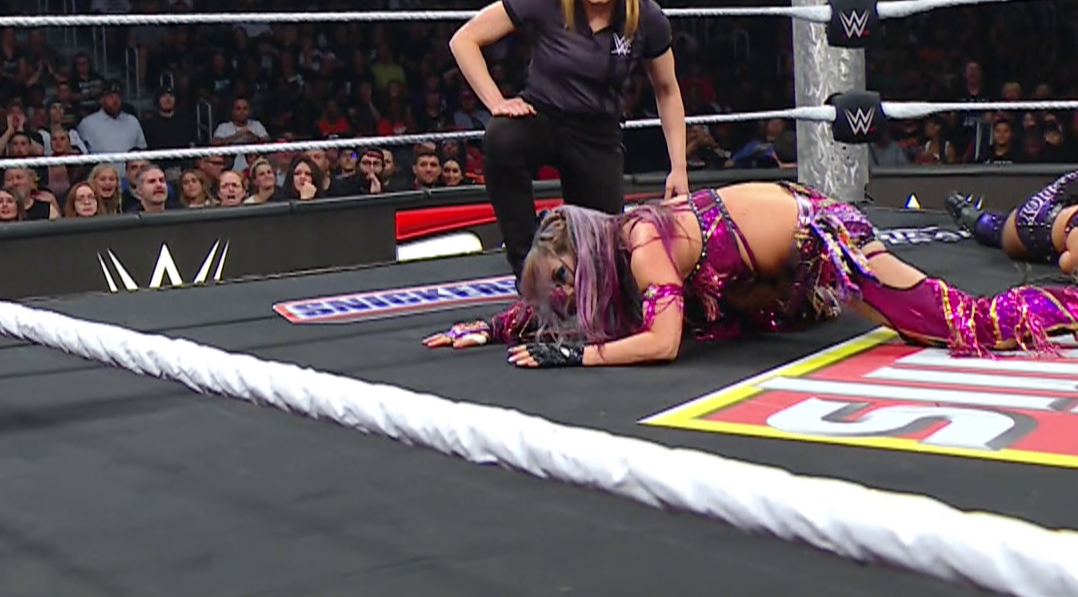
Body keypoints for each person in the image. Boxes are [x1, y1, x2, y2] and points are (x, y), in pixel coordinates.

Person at [424, 181, 1078, 368]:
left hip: (825, 238)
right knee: (704, 314)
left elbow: (661, 343)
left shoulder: (642, 242)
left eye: (564, 279)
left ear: (586, 253)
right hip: (774, 277)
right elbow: (570, 300)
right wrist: (496, 326)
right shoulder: (614, 248)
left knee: (957, 324)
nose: (565, 297)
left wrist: (576, 354)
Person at [449, 0, 688, 278]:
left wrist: (679, 168)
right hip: (543, 116)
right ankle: (528, 270)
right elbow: (464, 39)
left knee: (606, 261)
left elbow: (667, 90)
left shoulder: (644, 16)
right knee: (501, 138)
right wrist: (497, 102)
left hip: (598, 133)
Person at [944, 172, 1078, 273]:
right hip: (1033, 222)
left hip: (1062, 204)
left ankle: (974, 216)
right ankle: (975, 218)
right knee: (1001, 230)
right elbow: (1066, 263)